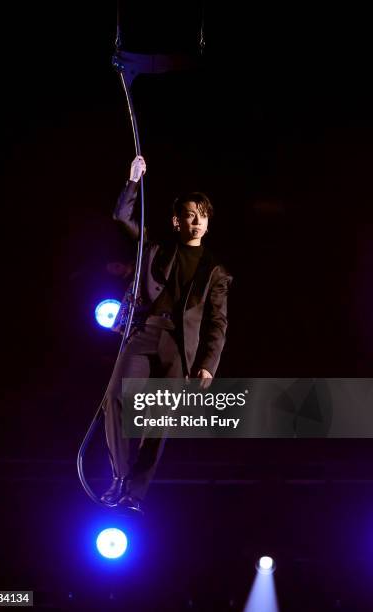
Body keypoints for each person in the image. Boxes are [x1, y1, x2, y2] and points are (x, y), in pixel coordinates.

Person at [101, 155, 233, 514]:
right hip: (145, 333)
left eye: (202, 215)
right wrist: (132, 182)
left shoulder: (215, 271)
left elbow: (217, 322)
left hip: (180, 348)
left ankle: (135, 493)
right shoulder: (155, 247)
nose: (197, 221)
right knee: (115, 398)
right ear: (177, 220)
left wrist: (208, 364)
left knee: (157, 423)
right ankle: (120, 476)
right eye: (190, 215)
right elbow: (122, 219)